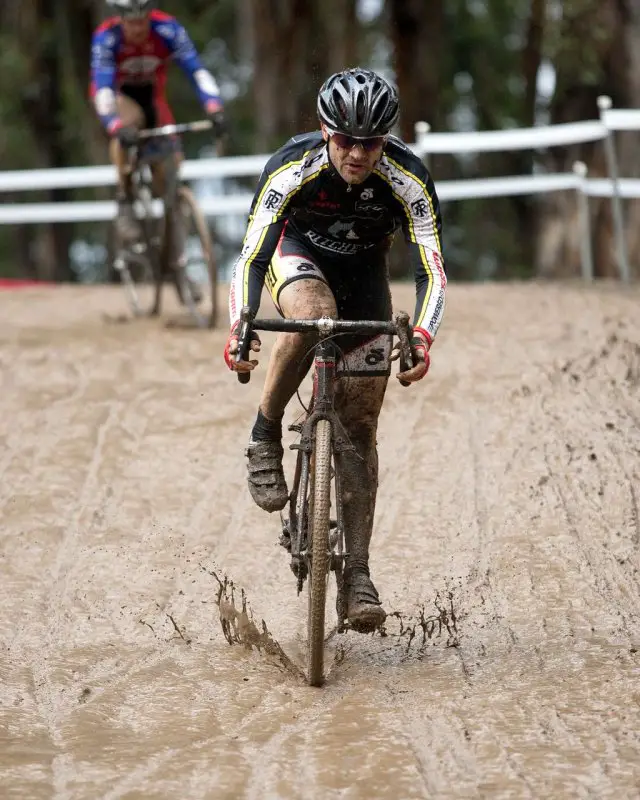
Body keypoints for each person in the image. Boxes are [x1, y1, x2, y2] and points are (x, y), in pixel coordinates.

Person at [224, 67, 447, 632]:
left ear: (385, 140)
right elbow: (251, 255)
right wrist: (241, 325)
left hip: (365, 276)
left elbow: (431, 269)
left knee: (362, 430)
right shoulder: (291, 167)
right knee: (313, 315)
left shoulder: (408, 177)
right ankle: (265, 430)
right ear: (325, 131)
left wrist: (420, 336)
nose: (355, 153)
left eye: (369, 143)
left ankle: (358, 576)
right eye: (345, 140)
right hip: (296, 257)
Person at [89, 0, 225, 245]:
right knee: (130, 121)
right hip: (119, 98)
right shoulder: (106, 38)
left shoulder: (167, 29)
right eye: (131, 22)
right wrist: (114, 125)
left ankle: (175, 240)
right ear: (119, 19)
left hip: (154, 98)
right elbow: (103, 89)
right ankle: (125, 198)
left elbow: (196, 70)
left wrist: (214, 106)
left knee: (171, 159)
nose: (138, 28)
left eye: (143, 20)